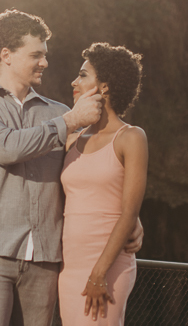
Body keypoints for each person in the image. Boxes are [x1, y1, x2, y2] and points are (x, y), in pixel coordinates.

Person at [0, 10, 142, 326]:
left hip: (45, 263)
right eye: (36, 55)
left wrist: (130, 217)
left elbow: (88, 175)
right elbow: (7, 147)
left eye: (45, 55)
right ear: (6, 55)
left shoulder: (60, 112)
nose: (45, 62)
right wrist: (69, 122)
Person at [58, 43, 148, 325]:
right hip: (69, 267)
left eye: (83, 75)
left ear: (105, 86)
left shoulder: (131, 138)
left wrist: (99, 273)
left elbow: (129, 212)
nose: (74, 82)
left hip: (108, 266)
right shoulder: (72, 139)